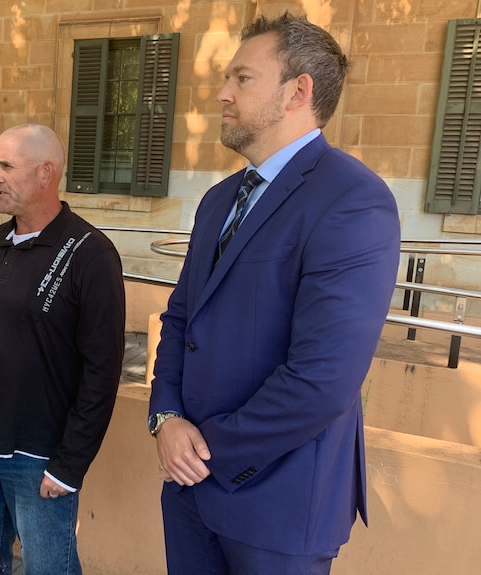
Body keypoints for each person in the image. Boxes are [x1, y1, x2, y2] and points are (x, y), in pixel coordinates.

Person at [148, 12, 401, 575]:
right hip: (189, 493)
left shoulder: (353, 200)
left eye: (242, 78)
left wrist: (205, 451)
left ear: (298, 91)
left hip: (279, 507)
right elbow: (181, 318)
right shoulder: (218, 201)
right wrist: (165, 417)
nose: (221, 94)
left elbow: (322, 379)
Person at [0, 124, 126, 575]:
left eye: (7, 166)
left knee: (49, 569)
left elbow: (102, 371)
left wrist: (70, 464)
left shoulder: (90, 254)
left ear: (46, 173)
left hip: (41, 457)